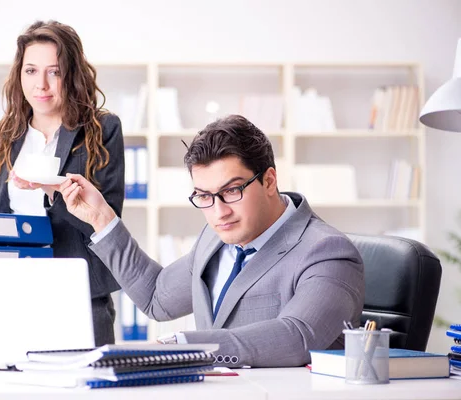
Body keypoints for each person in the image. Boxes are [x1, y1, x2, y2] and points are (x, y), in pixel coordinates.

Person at [58, 114, 364, 368]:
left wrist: (186, 347)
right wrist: (101, 217)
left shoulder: (327, 252)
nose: (219, 212)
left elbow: (298, 336)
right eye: (204, 196)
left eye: (232, 190)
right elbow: (156, 298)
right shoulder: (217, 238)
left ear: (269, 181)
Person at [0, 20, 124, 346]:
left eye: (54, 71)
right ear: (19, 74)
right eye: (31, 71)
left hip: (81, 293)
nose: (41, 84)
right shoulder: (3, 137)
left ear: (71, 74)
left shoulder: (102, 130)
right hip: (18, 293)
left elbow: (107, 222)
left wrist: (52, 192)